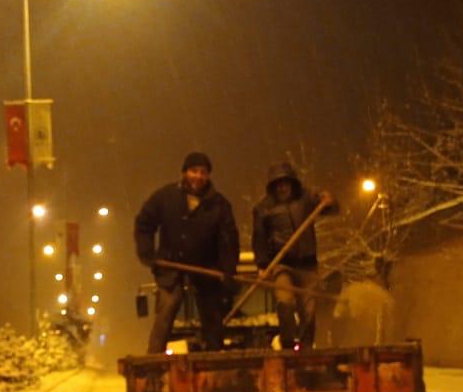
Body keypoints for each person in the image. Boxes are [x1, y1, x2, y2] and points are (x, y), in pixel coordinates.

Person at [134, 151, 240, 352]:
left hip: (206, 267)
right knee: (167, 307)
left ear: (208, 176)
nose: (198, 177)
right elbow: (144, 223)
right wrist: (147, 252)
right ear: (184, 172)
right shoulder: (165, 197)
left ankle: (214, 358)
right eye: (194, 171)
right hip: (170, 264)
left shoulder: (220, 205)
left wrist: (228, 271)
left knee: (212, 313)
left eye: (203, 172)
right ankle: (154, 359)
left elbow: (228, 241)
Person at [250, 161, 337, 348]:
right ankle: (288, 343)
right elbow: (259, 239)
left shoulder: (306, 199)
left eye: (286, 183)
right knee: (285, 302)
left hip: (307, 265)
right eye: (278, 184)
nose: (283, 188)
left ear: (292, 183)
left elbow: (331, 209)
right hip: (282, 265)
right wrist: (262, 265)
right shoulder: (263, 208)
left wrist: (329, 201)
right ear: (273, 186)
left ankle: (306, 348)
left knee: (309, 311)